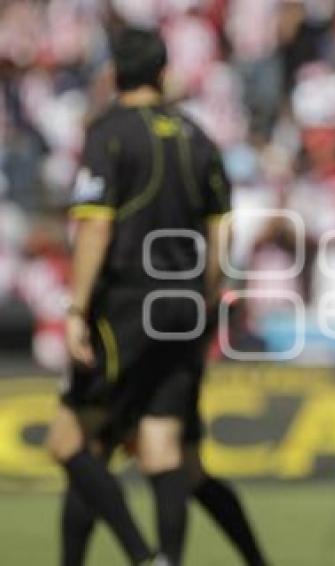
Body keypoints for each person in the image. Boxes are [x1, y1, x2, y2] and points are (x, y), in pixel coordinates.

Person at [45, 27, 264, 566]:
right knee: (168, 450)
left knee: (69, 442)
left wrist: (76, 310)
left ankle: (146, 557)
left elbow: (94, 227)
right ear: (163, 70)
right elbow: (222, 234)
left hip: (124, 308)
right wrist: (208, 300)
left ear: (114, 72)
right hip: (185, 310)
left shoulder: (110, 134)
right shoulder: (199, 136)